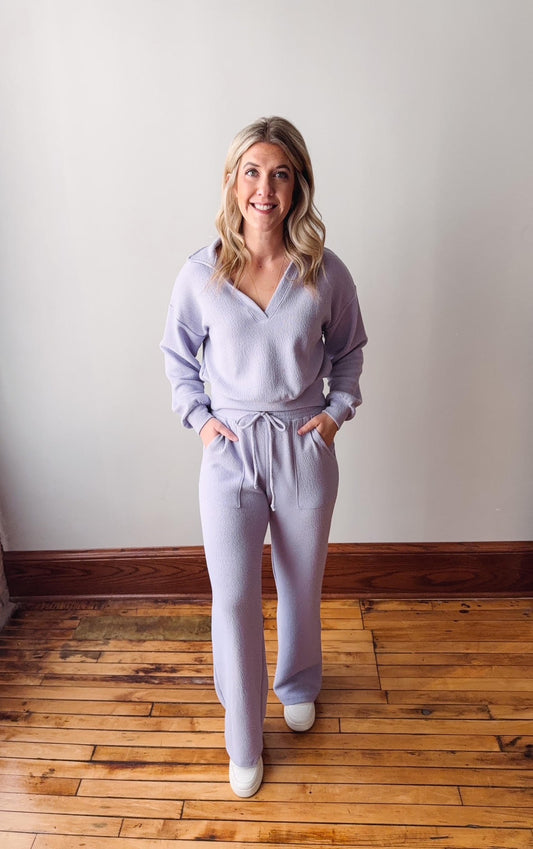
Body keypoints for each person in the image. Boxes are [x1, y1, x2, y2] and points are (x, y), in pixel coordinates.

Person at [161, 116, 367, 798]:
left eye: (280, 174)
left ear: (297, 185)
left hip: (303, 446)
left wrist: (334, 414)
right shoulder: (201, 273)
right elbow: (177, 359)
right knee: (233, 597)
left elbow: (349, 350)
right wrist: (201, 422)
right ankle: (243, 734)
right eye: (252, 171)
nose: (264, 188)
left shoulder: (324, 272)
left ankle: (298, 683)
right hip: (231, 450)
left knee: (301, 582)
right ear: (231, 181)